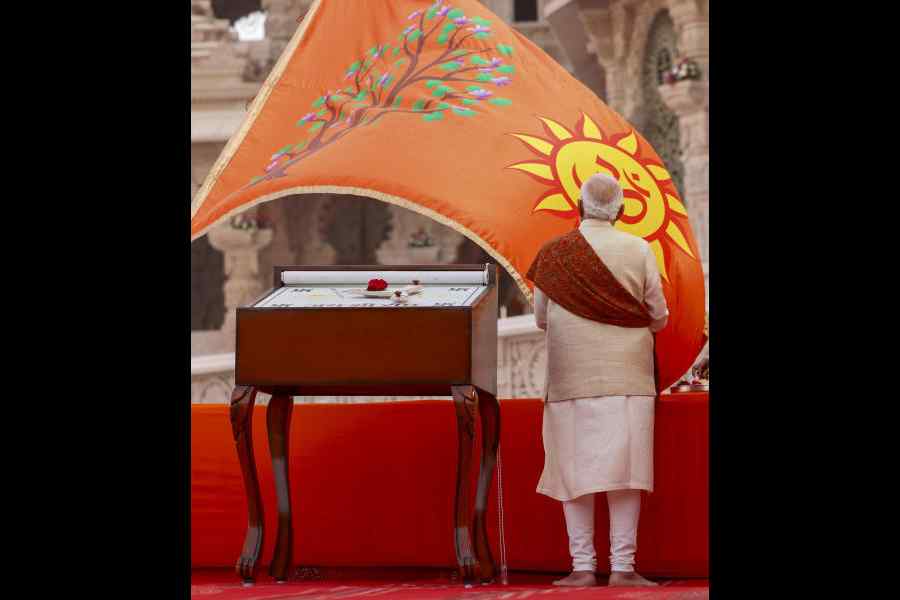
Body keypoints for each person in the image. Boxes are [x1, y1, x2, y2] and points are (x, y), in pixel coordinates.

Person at [526, 172, 669, 587]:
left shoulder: (553, 253)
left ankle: (582, 567)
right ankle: (623, 568)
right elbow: (657, 315)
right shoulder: (638, 249)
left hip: (571, 379)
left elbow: (540, 318)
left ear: (579, 206)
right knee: (626, 473)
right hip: (628, 377)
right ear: (621, 211)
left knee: (575, 472)